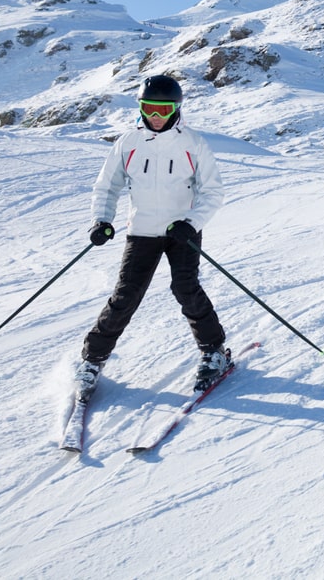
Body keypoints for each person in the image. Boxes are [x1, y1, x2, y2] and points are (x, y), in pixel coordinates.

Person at [74, 74, 229, 400]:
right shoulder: (127, 143)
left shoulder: (193, 143)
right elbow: (107, 186)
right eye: (149, 107)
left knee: (185, 289)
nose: (156, 115)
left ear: (176, 108)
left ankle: (213, 350)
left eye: (163, 108)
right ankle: (92, 359)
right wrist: (101, 220)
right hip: (142, 230)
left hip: (182, 230)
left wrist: (192, 221)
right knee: (125, 295)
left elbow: (213, 192)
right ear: (141, 107)